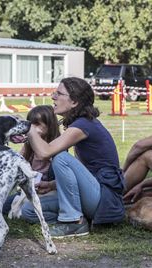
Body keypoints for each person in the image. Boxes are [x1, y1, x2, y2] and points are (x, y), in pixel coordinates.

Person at [26, 77, 125, 238]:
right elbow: (82, 175)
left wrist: (29, 128)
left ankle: (73, 222)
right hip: (93, 196)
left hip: (105, 200)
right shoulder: (80, 124)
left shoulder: (84, 125)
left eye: (59, 94)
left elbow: (45, 152)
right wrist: (51, 185)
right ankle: (79, 217)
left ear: (74, 102)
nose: (53, 97)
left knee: (61, 157)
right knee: (29, 211)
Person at [2, 105, 61, 224]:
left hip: (50, 192)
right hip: (31, 191)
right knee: (3, 205)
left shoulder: (57, 148)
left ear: (50, 126)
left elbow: (64, 181)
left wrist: (50, 185)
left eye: (37, 124)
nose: (32, 128)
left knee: (25, 212)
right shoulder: (29, 146)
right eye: (31, 124)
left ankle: (58, 217)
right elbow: (16, 167)